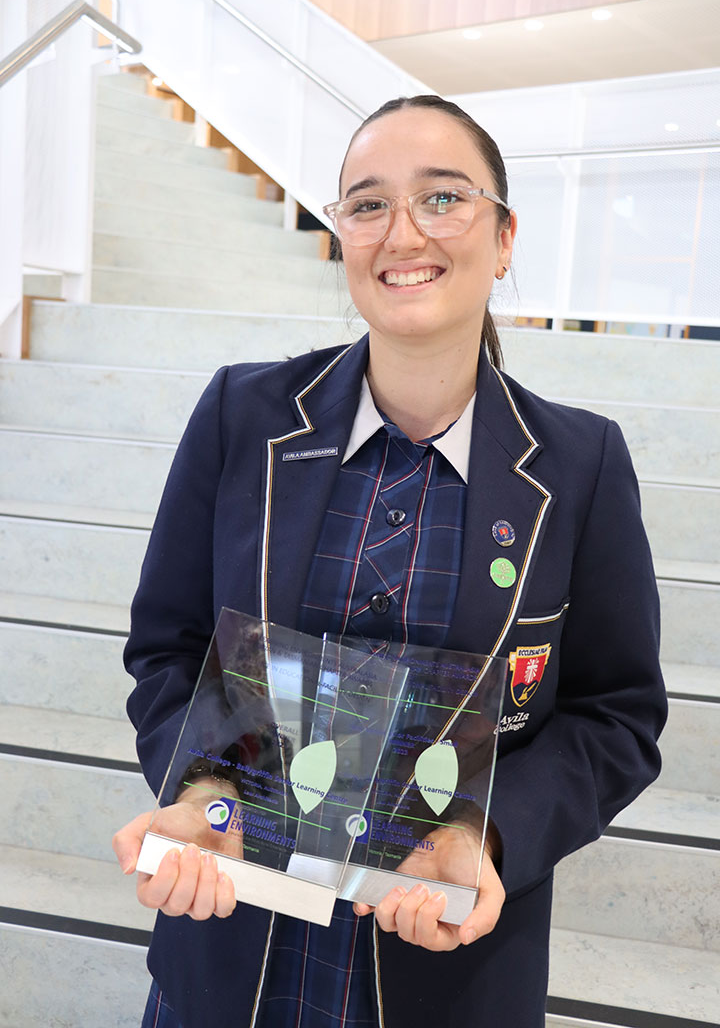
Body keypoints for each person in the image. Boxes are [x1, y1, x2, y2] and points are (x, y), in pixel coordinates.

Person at [113, 95, 667, 1028]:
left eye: (443, 197)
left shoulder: (580, 466)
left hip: (442, 966)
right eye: (367, 205)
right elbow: (166, 649)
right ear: (343, 240)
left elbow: (617, 716)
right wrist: (205, 790)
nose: (402, 231)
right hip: (233, 941)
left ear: (503, 237)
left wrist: (481, 831)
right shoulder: (242, 418)